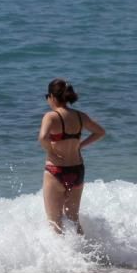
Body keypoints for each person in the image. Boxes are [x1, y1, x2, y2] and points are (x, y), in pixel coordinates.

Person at [39, 78, 105, 234]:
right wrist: (80, 145)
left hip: (56, 171)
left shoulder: (51, 116)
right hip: (77, 170)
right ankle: (84, 255)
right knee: (73, 219)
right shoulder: (80, 116)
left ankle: (63, 258)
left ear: (52, 97)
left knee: (55, 223)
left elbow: (42, 137)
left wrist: (51, 151)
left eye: (47, 96)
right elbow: (100, 132)